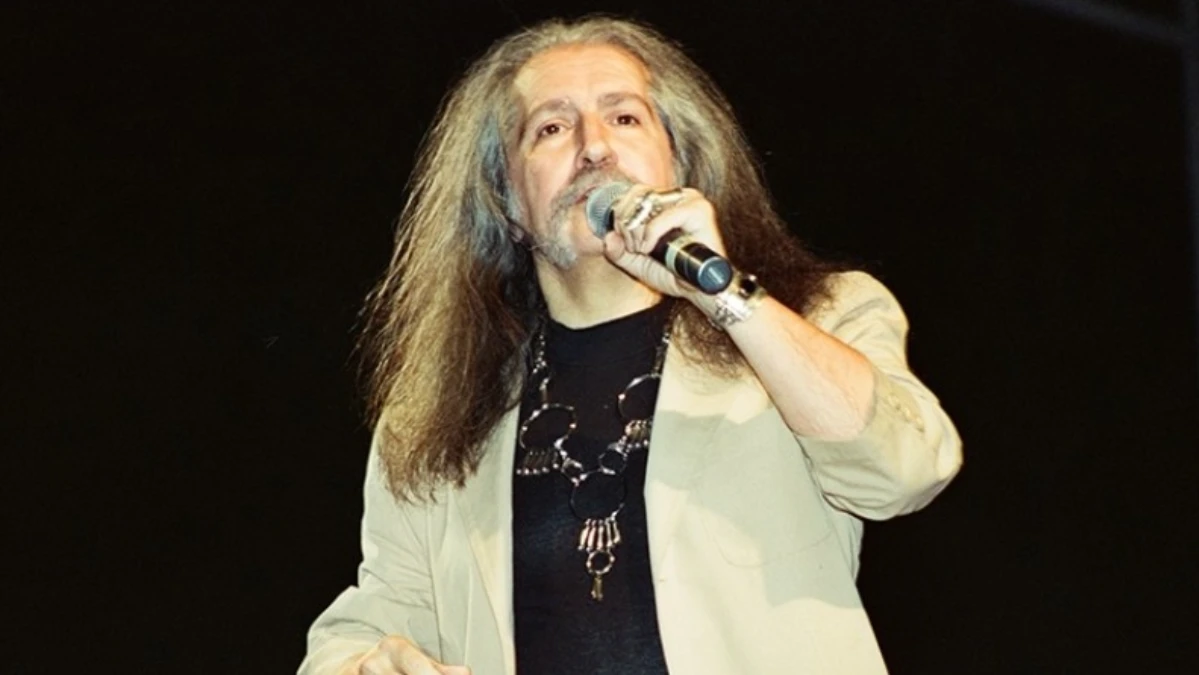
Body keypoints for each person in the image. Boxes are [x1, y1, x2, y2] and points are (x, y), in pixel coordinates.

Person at [300, 15, 962, 675]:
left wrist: (725, 293)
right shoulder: (438, 417)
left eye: (624, 118)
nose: (594, 148)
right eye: (551, 128)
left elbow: (905, 471)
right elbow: (367, 625)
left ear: (680, 162)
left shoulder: (816, 317)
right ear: (508, 202)